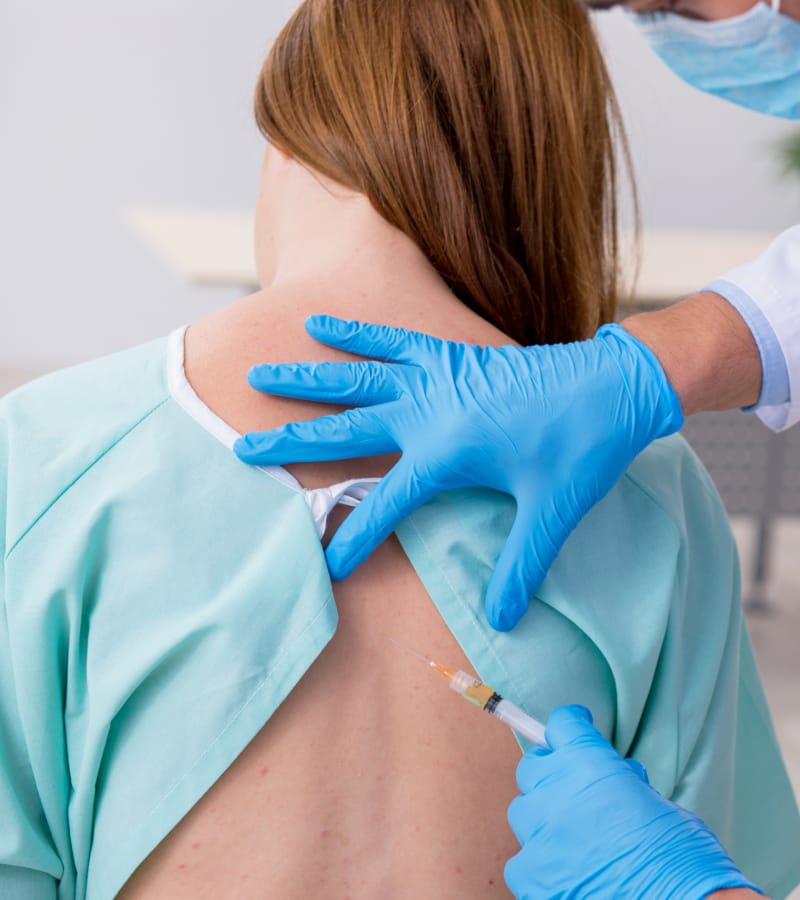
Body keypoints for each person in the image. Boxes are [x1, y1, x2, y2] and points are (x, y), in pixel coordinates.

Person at [231, 0, 800, 896]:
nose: (683, 27)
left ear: (283, 141)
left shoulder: (49, 453)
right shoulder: (655, 498)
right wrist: (661, 359)